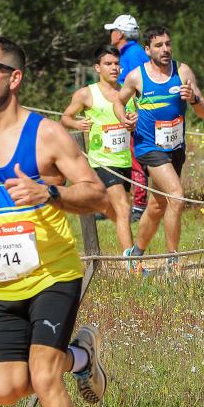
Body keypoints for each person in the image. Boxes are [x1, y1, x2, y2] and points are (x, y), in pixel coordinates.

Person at [0, 36, 109, 407]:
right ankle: (81, 357)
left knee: (44, 376)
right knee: (6, 390)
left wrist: (51, 194)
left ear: (13, 77)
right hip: (3, 281)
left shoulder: (45, 135)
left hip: (52, 275)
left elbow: (97, 194)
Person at [113, 27, 204, 269]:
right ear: (147, 50)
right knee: (176, 195)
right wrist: (124, 119)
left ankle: (135, 256)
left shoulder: (182, 71)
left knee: (157, 205)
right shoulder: (136, 76)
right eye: (158, 45)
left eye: (168, 44)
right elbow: (118, 102)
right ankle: (172, 261)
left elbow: (203, 112)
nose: (165, 49)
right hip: (148, 147)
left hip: (175, 149)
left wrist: (194, 99)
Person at [61, 47, 137, 254]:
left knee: (118, 212)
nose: (114, 68)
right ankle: (132, 262)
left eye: (116, 64)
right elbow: (65, 117)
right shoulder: (86, 93)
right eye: (108, 64)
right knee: (124, 209)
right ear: (97, 68)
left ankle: (91, 203)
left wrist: (133, 121)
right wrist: (77, 124)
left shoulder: (127, 93)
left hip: (124, 160)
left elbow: (133, 121)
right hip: (101, 161)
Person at [104, 14, 150, 220]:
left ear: (120, 34)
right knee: (122, 158)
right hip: (126, 115)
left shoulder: (132, 55)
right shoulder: (129, 53)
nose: (110, 34)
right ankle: (117, 204)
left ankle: (139, 206)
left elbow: (140, 87)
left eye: (113, 30)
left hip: (134, 117)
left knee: (135, 160)